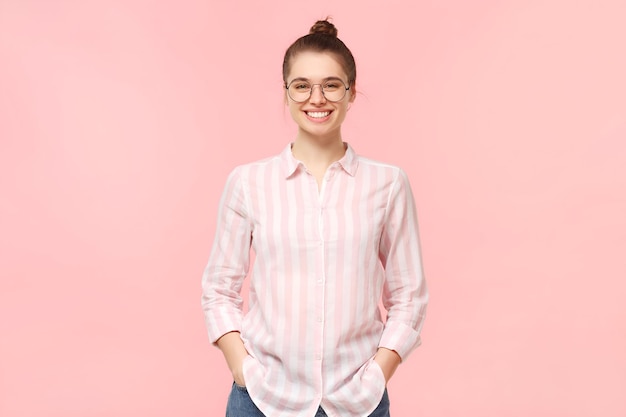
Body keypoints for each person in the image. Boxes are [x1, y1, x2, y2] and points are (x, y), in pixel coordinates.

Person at [201, 19, 428, 417]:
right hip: (263, 399)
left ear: (351, 92)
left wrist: (378, 374)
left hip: (357, 402)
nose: (316, 98)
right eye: (302, 85)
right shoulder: (248, 182)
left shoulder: (388, 184)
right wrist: (242, 369)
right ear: (287, 93)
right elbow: (219, 288)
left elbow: (408, 295)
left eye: (332, 84)